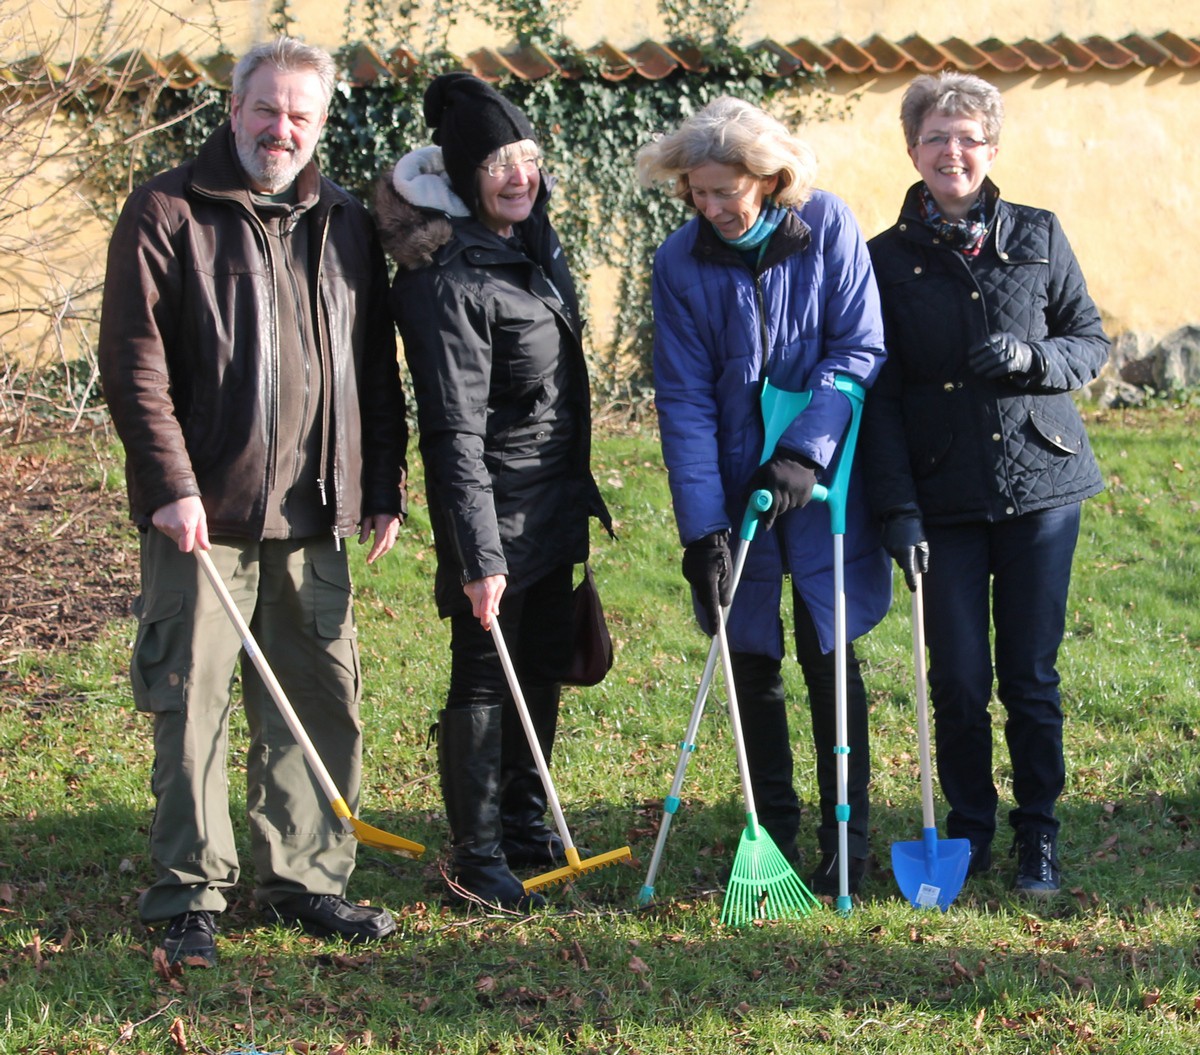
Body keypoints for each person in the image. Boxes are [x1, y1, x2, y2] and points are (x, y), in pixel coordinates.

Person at [98, 38, 408, 966]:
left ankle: (304, 878)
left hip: (315, 513)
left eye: (300, 116)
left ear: (320, 124)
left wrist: (383, 482)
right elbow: (134, 361)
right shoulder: (165, 210)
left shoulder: (345, 220)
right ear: (233, 110)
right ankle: (189, 890)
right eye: (266, 110)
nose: (282, 129)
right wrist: (170, 485)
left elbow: (371, 369)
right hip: (205, 515)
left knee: (319, 699)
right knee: (190, 701)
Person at [860, 72, 1109, 897]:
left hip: (1042, 485)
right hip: (942, 499)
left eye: (969, 138)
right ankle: (969, 827)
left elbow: (1089, 339)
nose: (953, 152)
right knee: (960, 678)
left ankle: (1038, 831)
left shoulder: (1038, 233)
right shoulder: (883, 260)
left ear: (992, 149)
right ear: (912, 149)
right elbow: (882, 395)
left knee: (1029, 676)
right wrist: (895, 507)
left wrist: (1036, 360)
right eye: (937, 137)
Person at [636, 97, 892, 896]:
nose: (712, 207)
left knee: (828, 649)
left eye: (727, 190)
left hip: (820, 479)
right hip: (730, 477)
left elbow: (859, 347)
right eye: (698, 191)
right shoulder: (679, 263)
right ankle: (771, 831)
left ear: (770, 176)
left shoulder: (829, 227)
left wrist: (803, 452)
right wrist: (702, 529)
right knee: (750, 653)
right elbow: (682, 399)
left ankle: (844, 833)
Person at [375, 73, 612, 910]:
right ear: (464, 175)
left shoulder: (529, 247)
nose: (521, 177)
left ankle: (523, 822)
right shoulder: (447, 277)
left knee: (539, 664)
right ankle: (475, 859)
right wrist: (478, 554)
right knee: (484, 674)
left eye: (531, 159)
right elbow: (451, 431)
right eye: (501, 164)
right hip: (495, 510)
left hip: (550, 505)